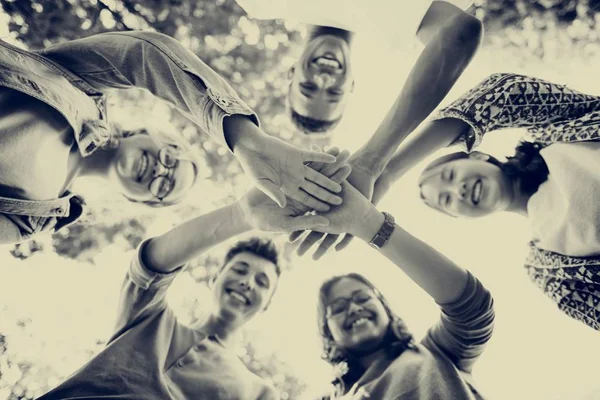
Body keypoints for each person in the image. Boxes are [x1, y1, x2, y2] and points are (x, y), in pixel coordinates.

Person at [36, 147, 353, 400]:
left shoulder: (259, 393)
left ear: (267, 304)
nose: (246, 282)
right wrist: (240, 215)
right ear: (216, 278)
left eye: (261, 282)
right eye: (240, 269)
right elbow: (151, 265)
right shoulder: (151, 319)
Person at [0, 30, 343, 244]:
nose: (160, 171)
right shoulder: (84, 88)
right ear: (147, 133)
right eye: (170, 156)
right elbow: (144, 55)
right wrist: (246, 138)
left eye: (163, 187)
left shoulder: (39, 217)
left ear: (138, 200)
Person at [344, 72, 600, 331]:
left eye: (451, 175)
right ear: (464, 218)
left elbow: (502, 90)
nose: (458, 190)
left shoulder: (560, 129)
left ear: (477, 155)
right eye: (447, 200)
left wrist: (385, 173)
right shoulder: (548, 271)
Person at [292, 176, 494, 399]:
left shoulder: (439, 352)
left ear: (386, 309)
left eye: (362, 298)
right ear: (328, 334)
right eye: (339, 308)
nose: (354, 308)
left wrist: (368, 222)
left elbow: (472, 307)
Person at [235, 0, 480, 135]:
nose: (323, 79)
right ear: (352, 83)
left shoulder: (263, 4)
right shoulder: (398, 31)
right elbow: (460, 34)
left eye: (307, 87)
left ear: (292, 72)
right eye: (334, 93)